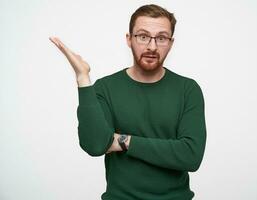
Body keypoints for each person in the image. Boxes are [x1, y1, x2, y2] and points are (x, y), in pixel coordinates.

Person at [49, 4, 206, 200]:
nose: (152, 46)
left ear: (171, 43)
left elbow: (191, 156)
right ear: (129, 39)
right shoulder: (105, 87)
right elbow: (95, 144)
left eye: (161, 38)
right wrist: (83, 78)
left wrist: (123, 141)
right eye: (143, 36)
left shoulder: (188, 90)